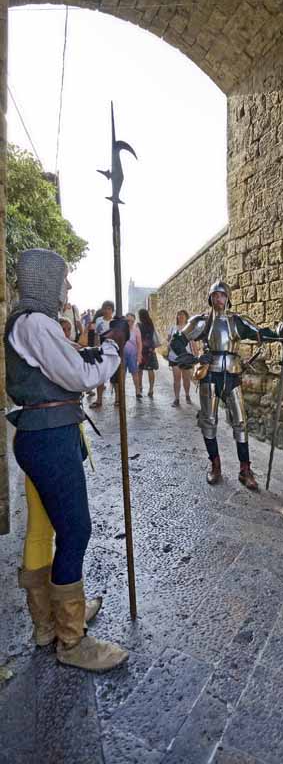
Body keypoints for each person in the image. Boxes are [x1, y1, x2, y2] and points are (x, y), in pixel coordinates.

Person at [6, 248, 130, 671]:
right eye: (63, 280)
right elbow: (78, 374)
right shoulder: (35, 323)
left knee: (42, 529)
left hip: (41, 437)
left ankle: (49, 623)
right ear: (43, 280)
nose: (68, 288)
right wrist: (112, 349)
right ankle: (72, 641)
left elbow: (70, 362)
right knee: (76, 531)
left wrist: (101, 348)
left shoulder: (27, 324)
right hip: (50, 441)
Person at [170, 280, 283, 490]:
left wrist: (282, 328)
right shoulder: (201, 322)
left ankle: (245, 470)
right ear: (210, 298)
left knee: (240, 422)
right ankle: (215, 465)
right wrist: (194, 360)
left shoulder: (237, 322)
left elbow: (261, 334)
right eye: (215, 295)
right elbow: (177, 341)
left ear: (228, 298)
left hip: (232, 376)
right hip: (209, 376)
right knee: (209, 421)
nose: (219, 299)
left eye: (222, 295)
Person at [167, 309, 195, 407]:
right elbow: (168, 340)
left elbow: (193, 343)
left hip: (186, 356)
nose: (180, 316)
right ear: (177, 317)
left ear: (186, 317)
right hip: (174, 357)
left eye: (182, 315)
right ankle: (177, 399)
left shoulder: (189, 328)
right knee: (176, 379)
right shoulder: (172, 328)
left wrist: (195, 356)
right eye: (179, 315)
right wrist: (169, 347)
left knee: (186, 378)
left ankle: (187, 395)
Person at [90, 301, 115, 408]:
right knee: (100, 375)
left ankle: (118, 400)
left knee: (115, 376)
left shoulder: (115, 322)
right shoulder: (99, 320)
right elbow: (96, 335)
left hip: (113, 350)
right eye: (105, 308)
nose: (106, 311)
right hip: (101, 350)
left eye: (109, 309)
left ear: (112, 310)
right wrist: (96, 348)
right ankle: (99, 399)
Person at [138, 307, 160, 398]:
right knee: (150, 369)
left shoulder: (139, 325)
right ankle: (151, 389)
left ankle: (140, 386)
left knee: (140, 369)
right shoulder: (151, 325)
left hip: (141, 350)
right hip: (150, 349)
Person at [125, 312, 143, 399]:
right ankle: (121, 392)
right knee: (122, 374)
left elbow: (139, 343)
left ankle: (137, 391)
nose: (130, 322)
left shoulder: (136, 330)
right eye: (128, 320)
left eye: (132, 320)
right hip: (122, 356)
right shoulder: (122, 329)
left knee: (135, 373)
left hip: (132, 355)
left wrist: (139, 355)